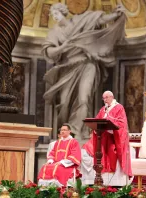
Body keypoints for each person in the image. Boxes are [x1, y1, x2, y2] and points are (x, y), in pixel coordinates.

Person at [42, 3, 126, 139]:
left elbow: (99, 19)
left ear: (63, 12)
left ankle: (77, 131)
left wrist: (115, 15)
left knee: (84, 98)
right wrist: (62, 47)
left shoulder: (79, 21)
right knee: (63, 102)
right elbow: (49, 51)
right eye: (53, 15)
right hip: (67, 68)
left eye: (56, 13)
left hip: (87, 64)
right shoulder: (54, 32)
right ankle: (65, 131)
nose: (55, 17)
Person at [81, 91, 132, 186]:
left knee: (112, 150)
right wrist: (95, 129)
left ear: (112, 97)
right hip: (102, 138)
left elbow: (122, 123)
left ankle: (113, 182)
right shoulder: (103, 109)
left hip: (114, 138)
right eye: (103, 98)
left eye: (106, 98)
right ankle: (99, 178)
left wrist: (111, 125)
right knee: (88, 149)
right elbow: (97, 121)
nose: (105, 100)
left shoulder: (119, 107)